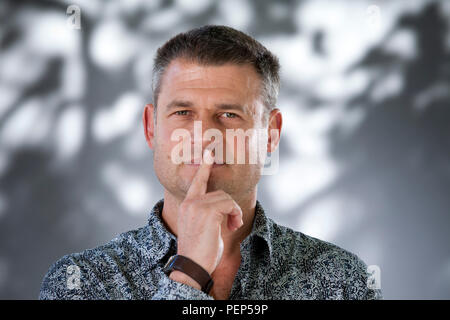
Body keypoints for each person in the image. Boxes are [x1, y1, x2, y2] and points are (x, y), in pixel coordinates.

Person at [39, 25, 382, 300]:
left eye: (229, 114)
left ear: (271, 134)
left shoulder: (341, 282)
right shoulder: (79, 283)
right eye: (183, 112)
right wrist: (189, 273)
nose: (203, 136)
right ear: (150, 128)